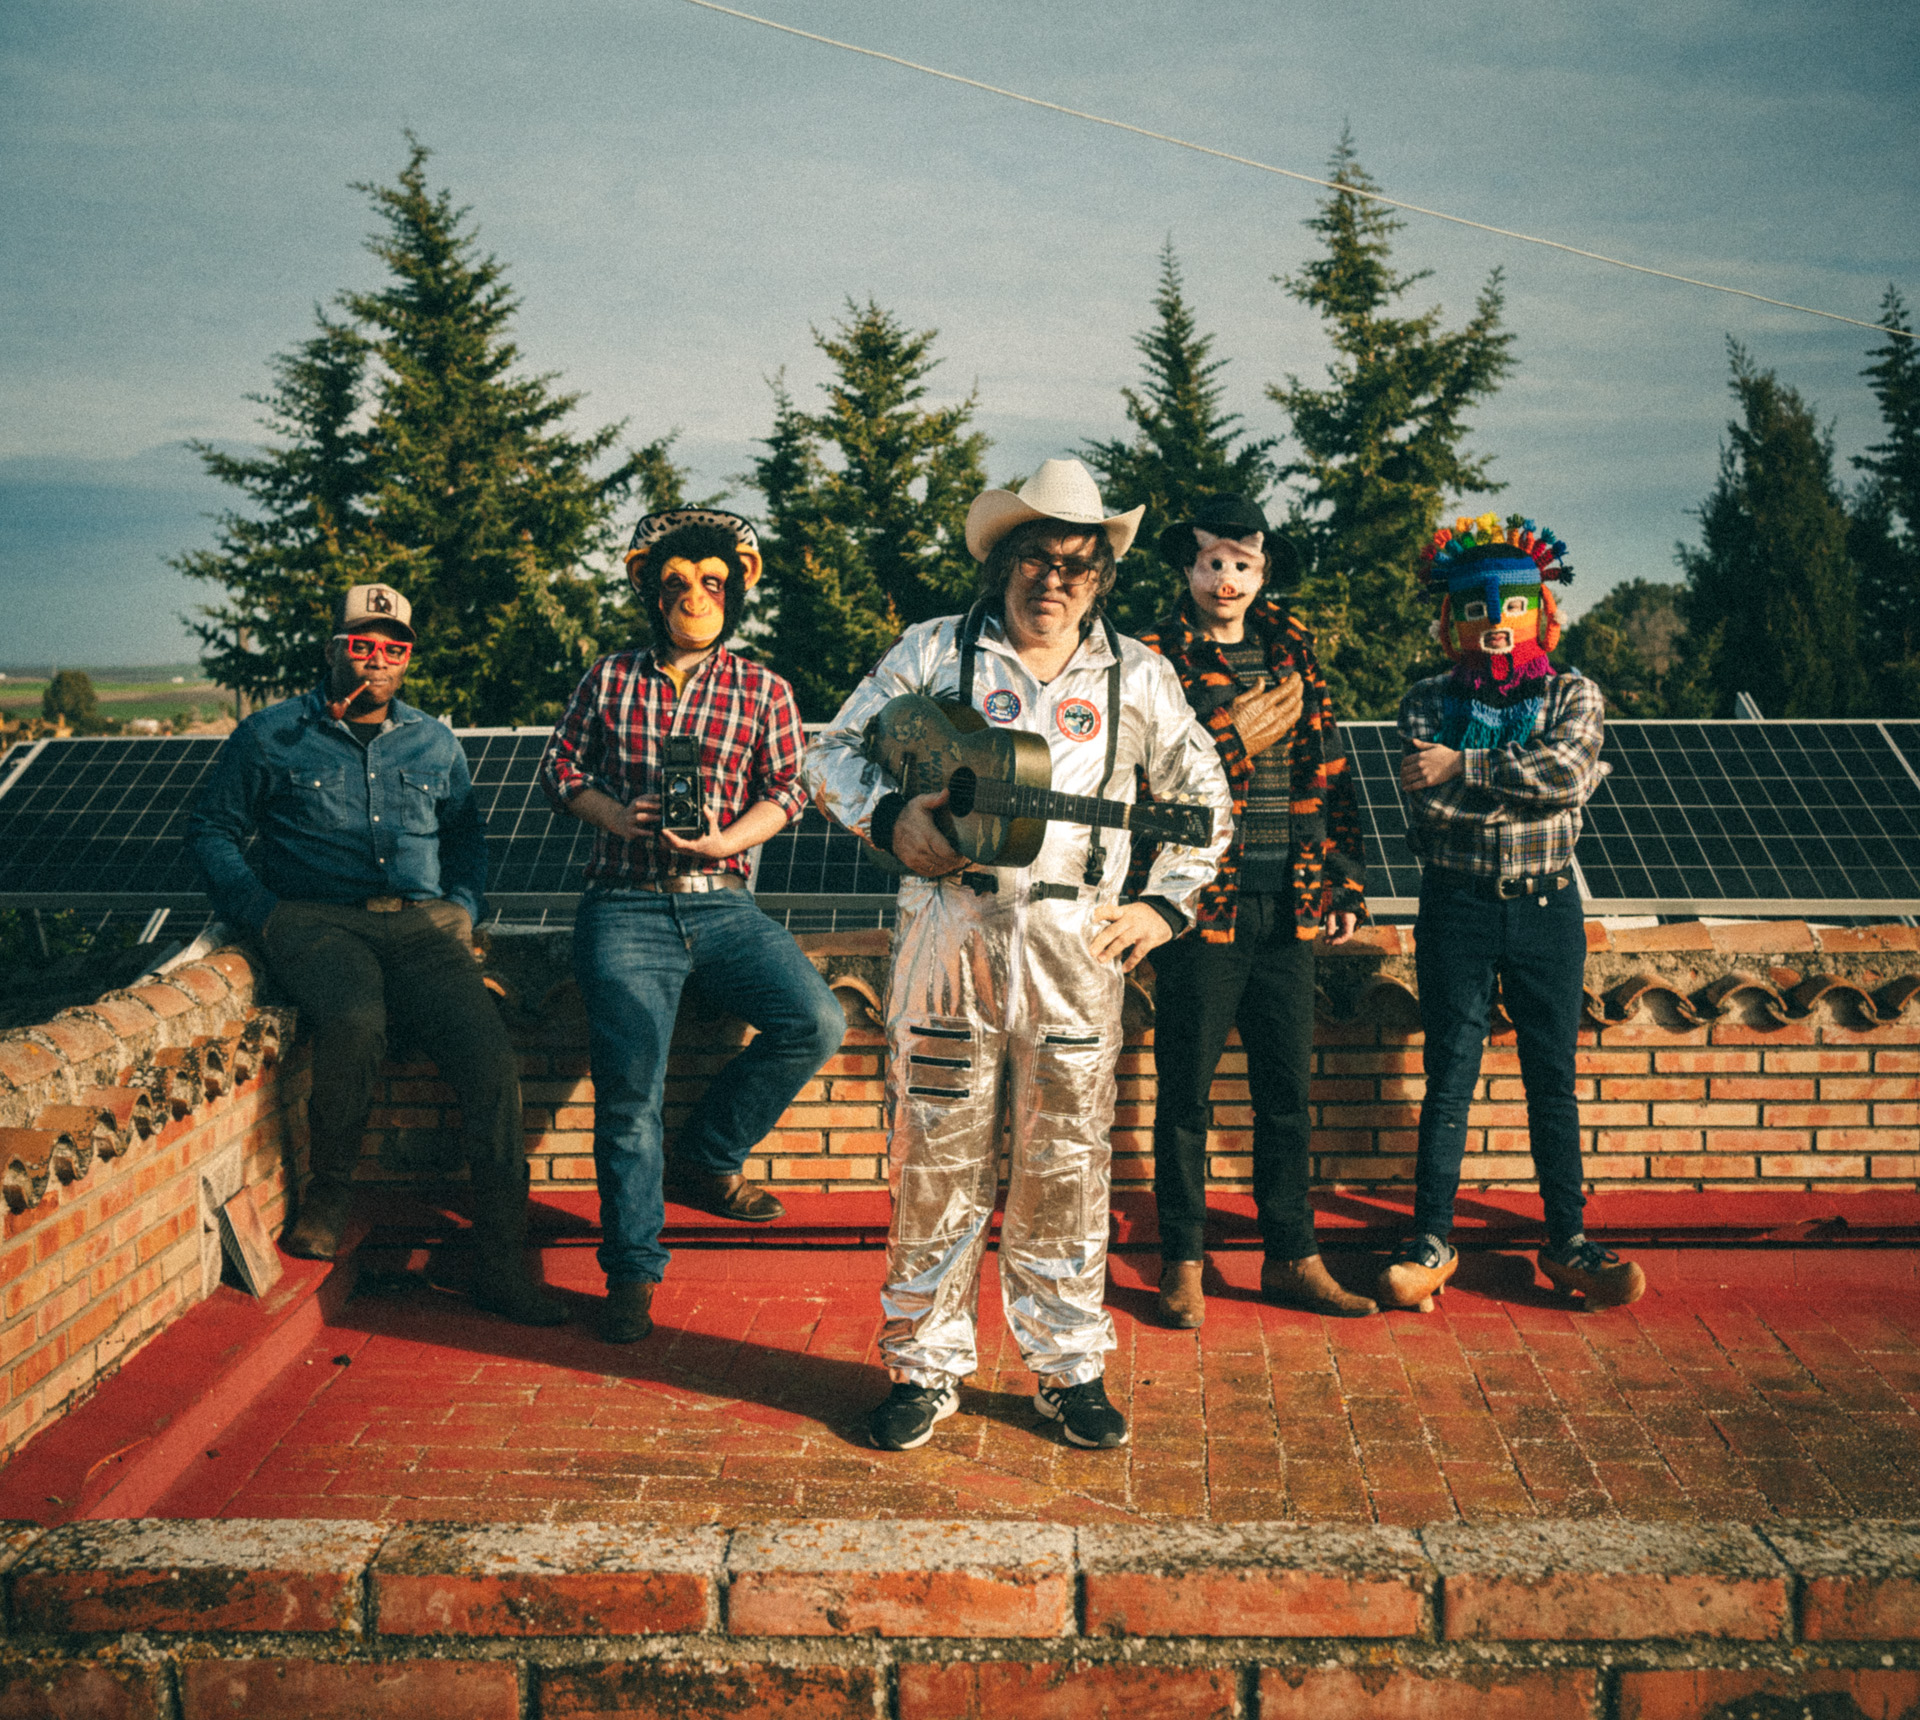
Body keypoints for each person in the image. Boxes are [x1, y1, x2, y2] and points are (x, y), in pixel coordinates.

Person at [804, 458, 1233, 1453]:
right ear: (1003, 562)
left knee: (1068, 1164)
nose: (1056, 580)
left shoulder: (1138, 675)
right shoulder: (933, 653)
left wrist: (1162, 908)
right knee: (934, 1160)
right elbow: (828, 754)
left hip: (1077, 949)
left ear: (1102, 577)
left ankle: (1068, 1367)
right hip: (950, 937)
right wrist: (888, 818)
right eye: (1038, 557)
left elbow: (1204, 800)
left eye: (1079, 564)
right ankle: (922, 1367)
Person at [186, 583, 565, 1325]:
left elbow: (466, 834)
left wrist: (464, 904)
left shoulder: (433, 741)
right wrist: (262, 914)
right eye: (362, 645)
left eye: (395, 648)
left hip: (419, 927)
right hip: (318, 922)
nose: (379, 660)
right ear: (334, 649)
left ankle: (500, 1260)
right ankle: (330, 1195)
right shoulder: (270, 736)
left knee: (490, 1062)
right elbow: (210, 830)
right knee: (356, 1024)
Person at [540, 507, 845, 1346]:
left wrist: (725, 839)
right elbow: (559, 767)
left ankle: (707, 1158)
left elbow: (790, 789)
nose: (695, 597)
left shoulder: (764, 689)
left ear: (735, 591)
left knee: (816, 1021)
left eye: (713, 583)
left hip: (724, 900)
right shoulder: (610, 677)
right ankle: (633, 1271)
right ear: (652, 589)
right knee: (628, 1098)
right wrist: (616, 815)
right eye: (678, 583)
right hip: (624, 902)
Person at [1386, 513, 1645, 1311]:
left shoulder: (1573, 693)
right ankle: (1431, 1238)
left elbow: (1564, 774)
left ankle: (1568, 1239)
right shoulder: (1425, 701)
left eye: (1512, 605)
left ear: (1540, 610)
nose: (1495, 621)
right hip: (1455, 909)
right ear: (1452, 618)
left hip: (1546, 912)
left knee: (1551, 1078)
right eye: (1476, 608)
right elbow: (1436, 812)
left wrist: (1464, 764)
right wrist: (1543, 784)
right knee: (1449, 1076)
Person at [1132, 495, 1375, 1327]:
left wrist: (1344, 880)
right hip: (1203, 905)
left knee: (1285, 1098)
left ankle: (1292, 1256)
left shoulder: (1293, 654)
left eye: (1242, 563)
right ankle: (1183, 1261)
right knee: (1186, 1097)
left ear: (1263, 572)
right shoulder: (1153, 659)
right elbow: (1144, 772)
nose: (1226, 578)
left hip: (1288, 902)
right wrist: (1230, 736)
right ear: (1188, 568)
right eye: (1211, 562)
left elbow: (1330, 766)